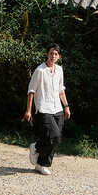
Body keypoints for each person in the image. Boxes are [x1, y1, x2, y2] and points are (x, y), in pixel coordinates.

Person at [23, 43, 70, 175]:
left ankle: (41, 164)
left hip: (57, 108)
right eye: (51, 53)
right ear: (47, 54)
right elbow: (31, 91)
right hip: (44, 108)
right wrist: (28, 110)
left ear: (59, 56)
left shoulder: (60, 70)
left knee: (57, 138)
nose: (53, 56)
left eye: (55, 54)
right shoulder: (40, 71)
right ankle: (36, 146)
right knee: (53, 135)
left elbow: (61, 90)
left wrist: (66, 107)